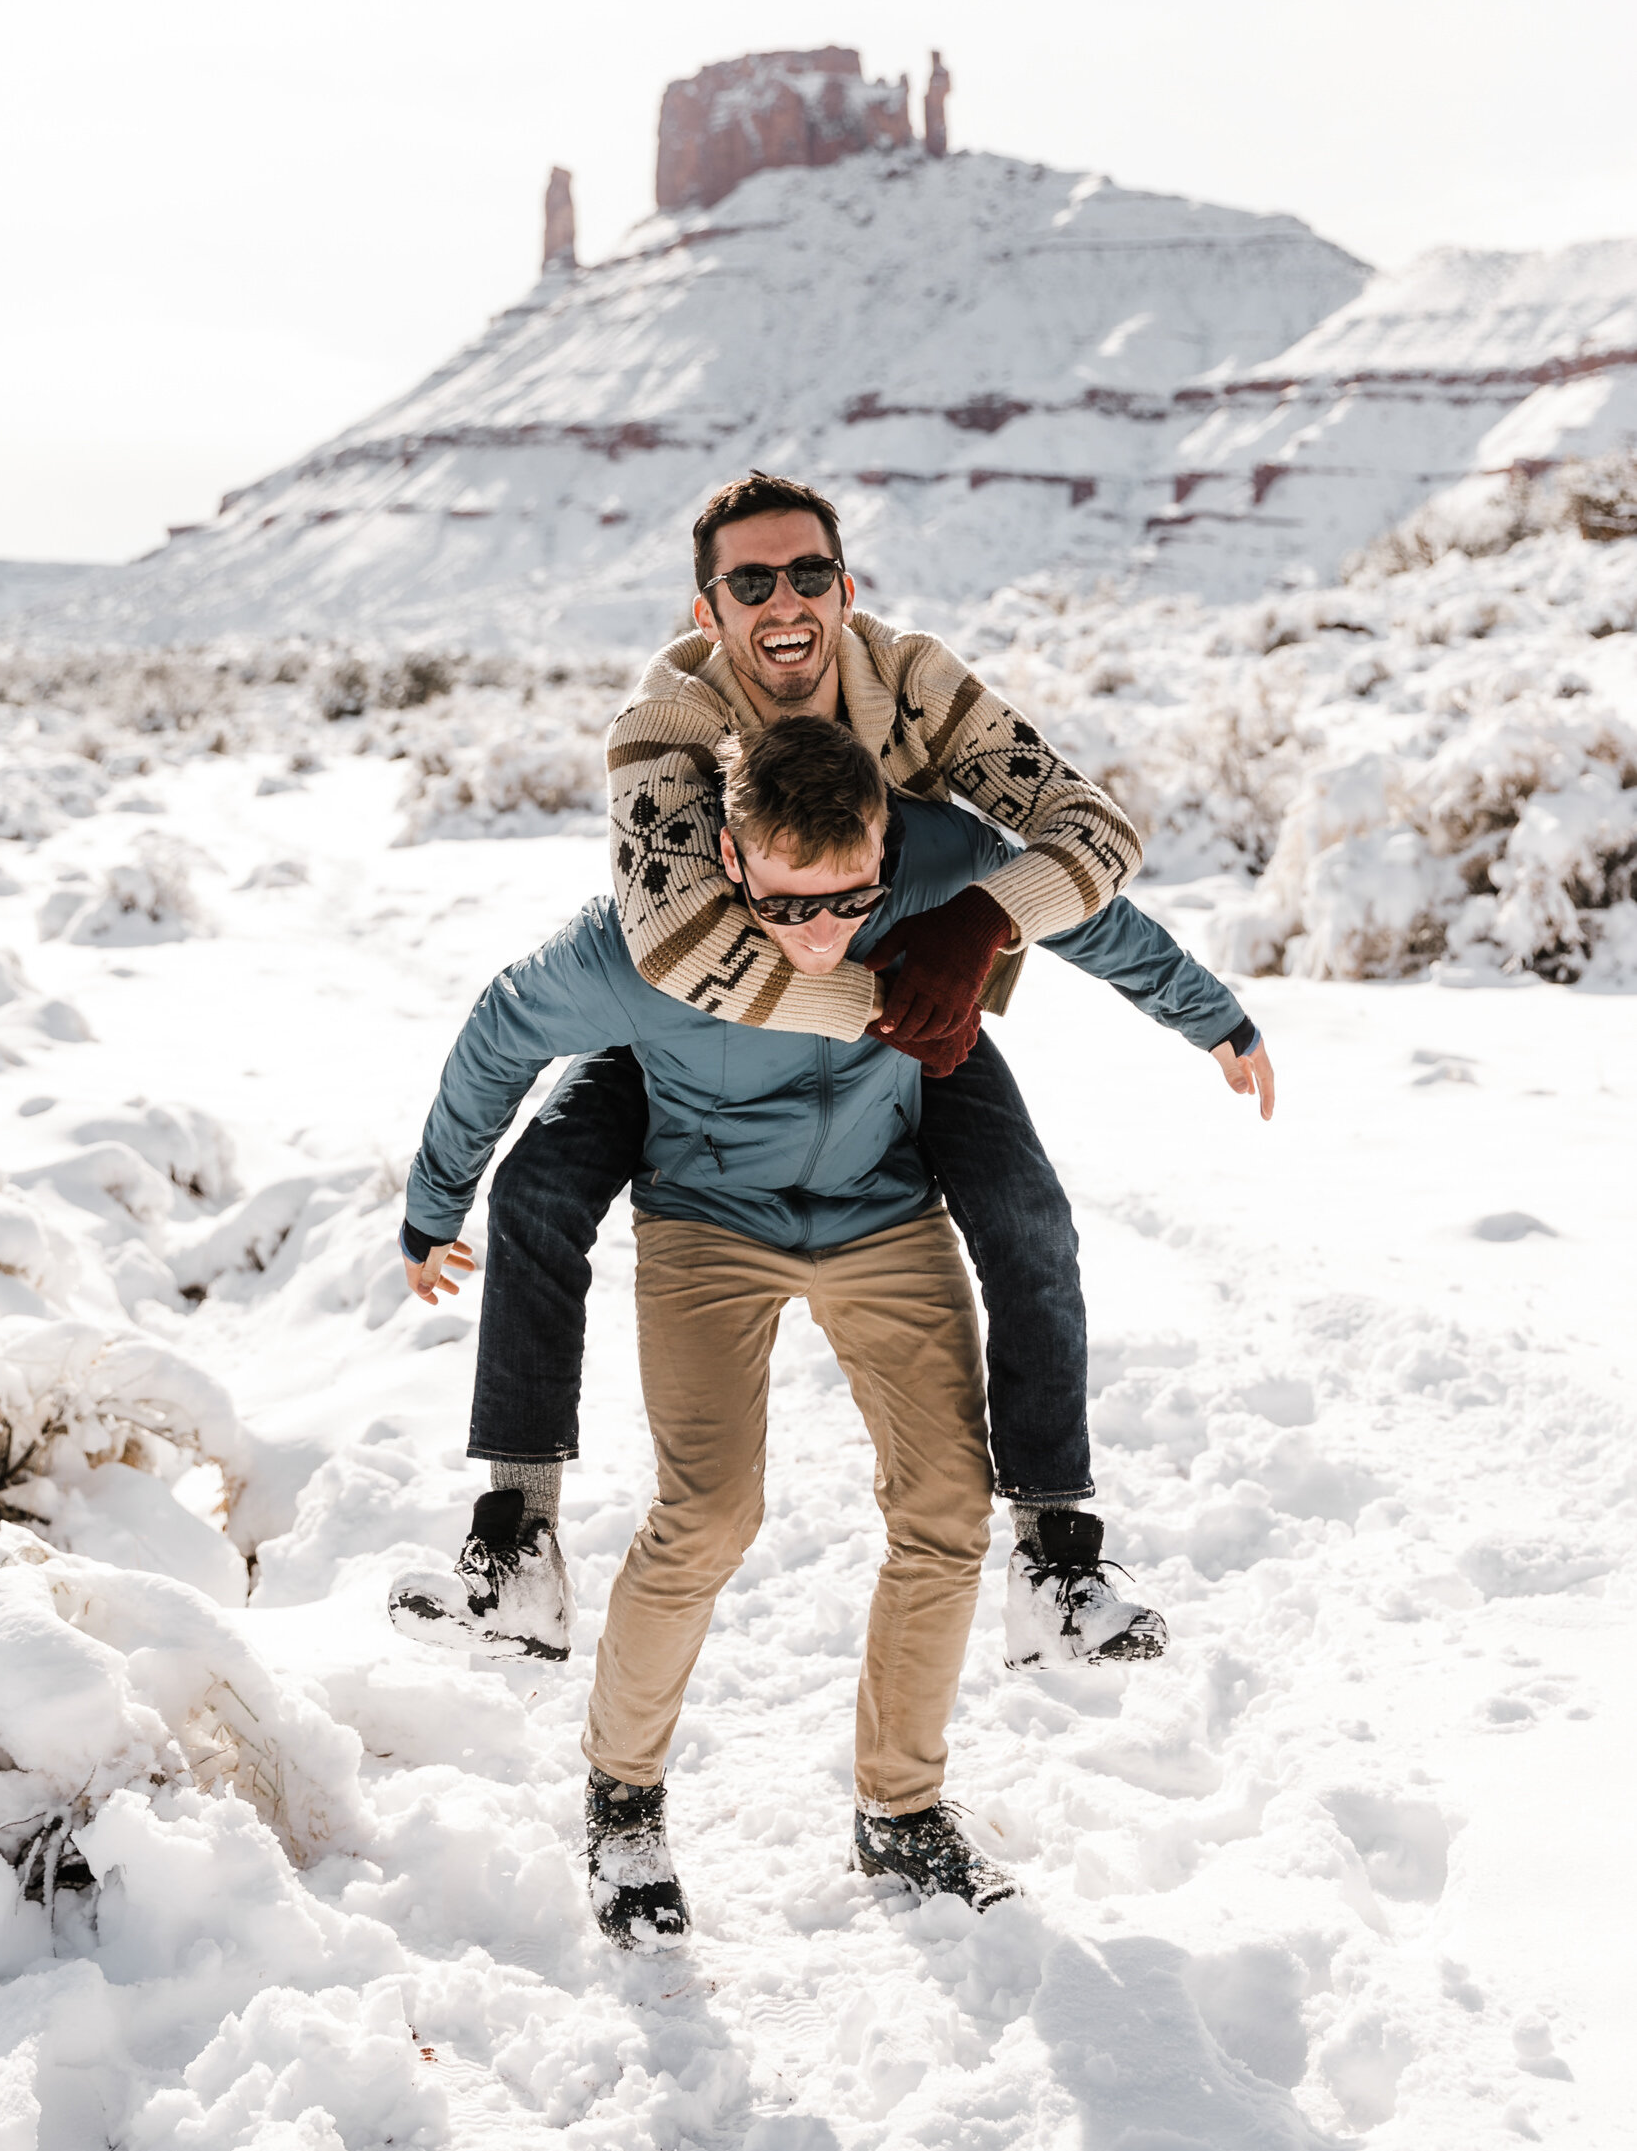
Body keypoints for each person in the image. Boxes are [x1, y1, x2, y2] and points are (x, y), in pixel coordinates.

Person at [392, 720, 1272, 1943]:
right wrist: (432, 1205)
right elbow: (500, 1029)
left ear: (886, 847)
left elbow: (1087, 918)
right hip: (707, 1221)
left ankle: (900, 1811)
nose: (821, 938)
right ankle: (623, 1800)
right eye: (787, 906)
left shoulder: (940, 870)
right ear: (727, 857)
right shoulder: (643, 942)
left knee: (946, 1514)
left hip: (881, 1213)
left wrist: (1214, 1016)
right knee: (705, 1516)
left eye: (849, 899)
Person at [396, 471, 1273, 1673]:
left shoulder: (915, 697)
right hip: (730, 1002)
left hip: (921, 960)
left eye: (808, 572)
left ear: (845, 587)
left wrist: (993, 933)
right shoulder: (663, 734)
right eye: (748, 582)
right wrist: (886, 1003)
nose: (784, 600)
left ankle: (1057, 1559)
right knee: (540, 1186)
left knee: (1027, 1213)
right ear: (705, 609)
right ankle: (514, 1539)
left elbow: (1088, 855)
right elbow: (650, 953)